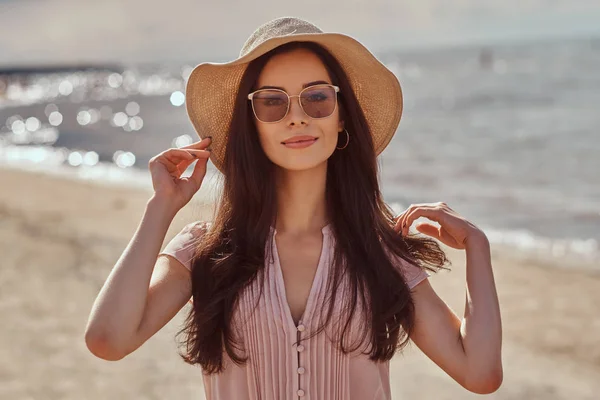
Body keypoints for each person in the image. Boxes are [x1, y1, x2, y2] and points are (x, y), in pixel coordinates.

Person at [85, 17, 503, 399]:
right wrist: (162, 207)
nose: (297, 117)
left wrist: (477, 247)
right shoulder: (204, 252)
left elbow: (479, 373)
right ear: (252, 124)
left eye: (317, 98)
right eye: (273, 102)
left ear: (341, 117)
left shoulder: (380, 254)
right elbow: (108, 339)